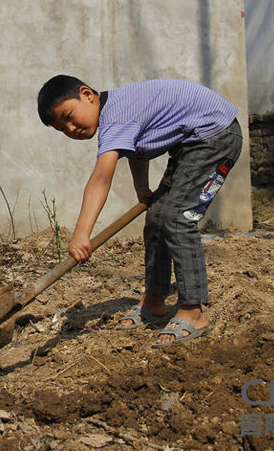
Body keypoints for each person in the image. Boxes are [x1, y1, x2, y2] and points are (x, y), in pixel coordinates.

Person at [37, 75, 242, 347]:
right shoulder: (118, 111)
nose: (71, 129)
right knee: (157, 217)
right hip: (190, 143)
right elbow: (137, 150)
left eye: (69, 116)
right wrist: (142, 189)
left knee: (177, 217)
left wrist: (81, 234)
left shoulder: (116, 118)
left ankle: (193, 311)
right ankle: (154, 300)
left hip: (215, 135)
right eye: (62, 128)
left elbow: (101, 179)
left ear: (87, 94)